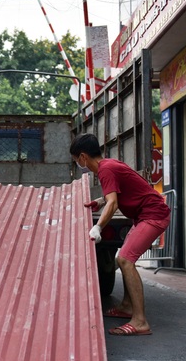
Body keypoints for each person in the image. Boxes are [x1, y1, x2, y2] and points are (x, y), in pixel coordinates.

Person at [70, 133, 170, 336]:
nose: (80, 165)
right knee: (124, 257)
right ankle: (127, 306)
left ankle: (140, 321)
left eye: (77, 161)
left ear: (82, 157)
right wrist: (99, 201)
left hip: (153, 215)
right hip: (145, 215)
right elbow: (115, 193)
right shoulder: (108, 165)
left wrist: (97, 227)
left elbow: (113, 202)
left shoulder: (105, 170)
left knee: (125, 259)